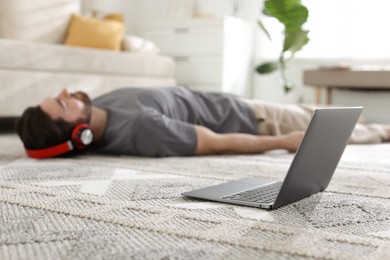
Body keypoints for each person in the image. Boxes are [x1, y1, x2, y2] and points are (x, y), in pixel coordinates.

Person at [16, 86, 390, 158]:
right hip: (252, 119)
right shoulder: (142, 131)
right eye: (63, 102)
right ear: (78, 133)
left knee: (311, 109)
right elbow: (213, 141)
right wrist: (283, 141)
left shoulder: (98, 104)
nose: (67, 91)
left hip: (233, 101)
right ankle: (383, 132)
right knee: (342, 125)